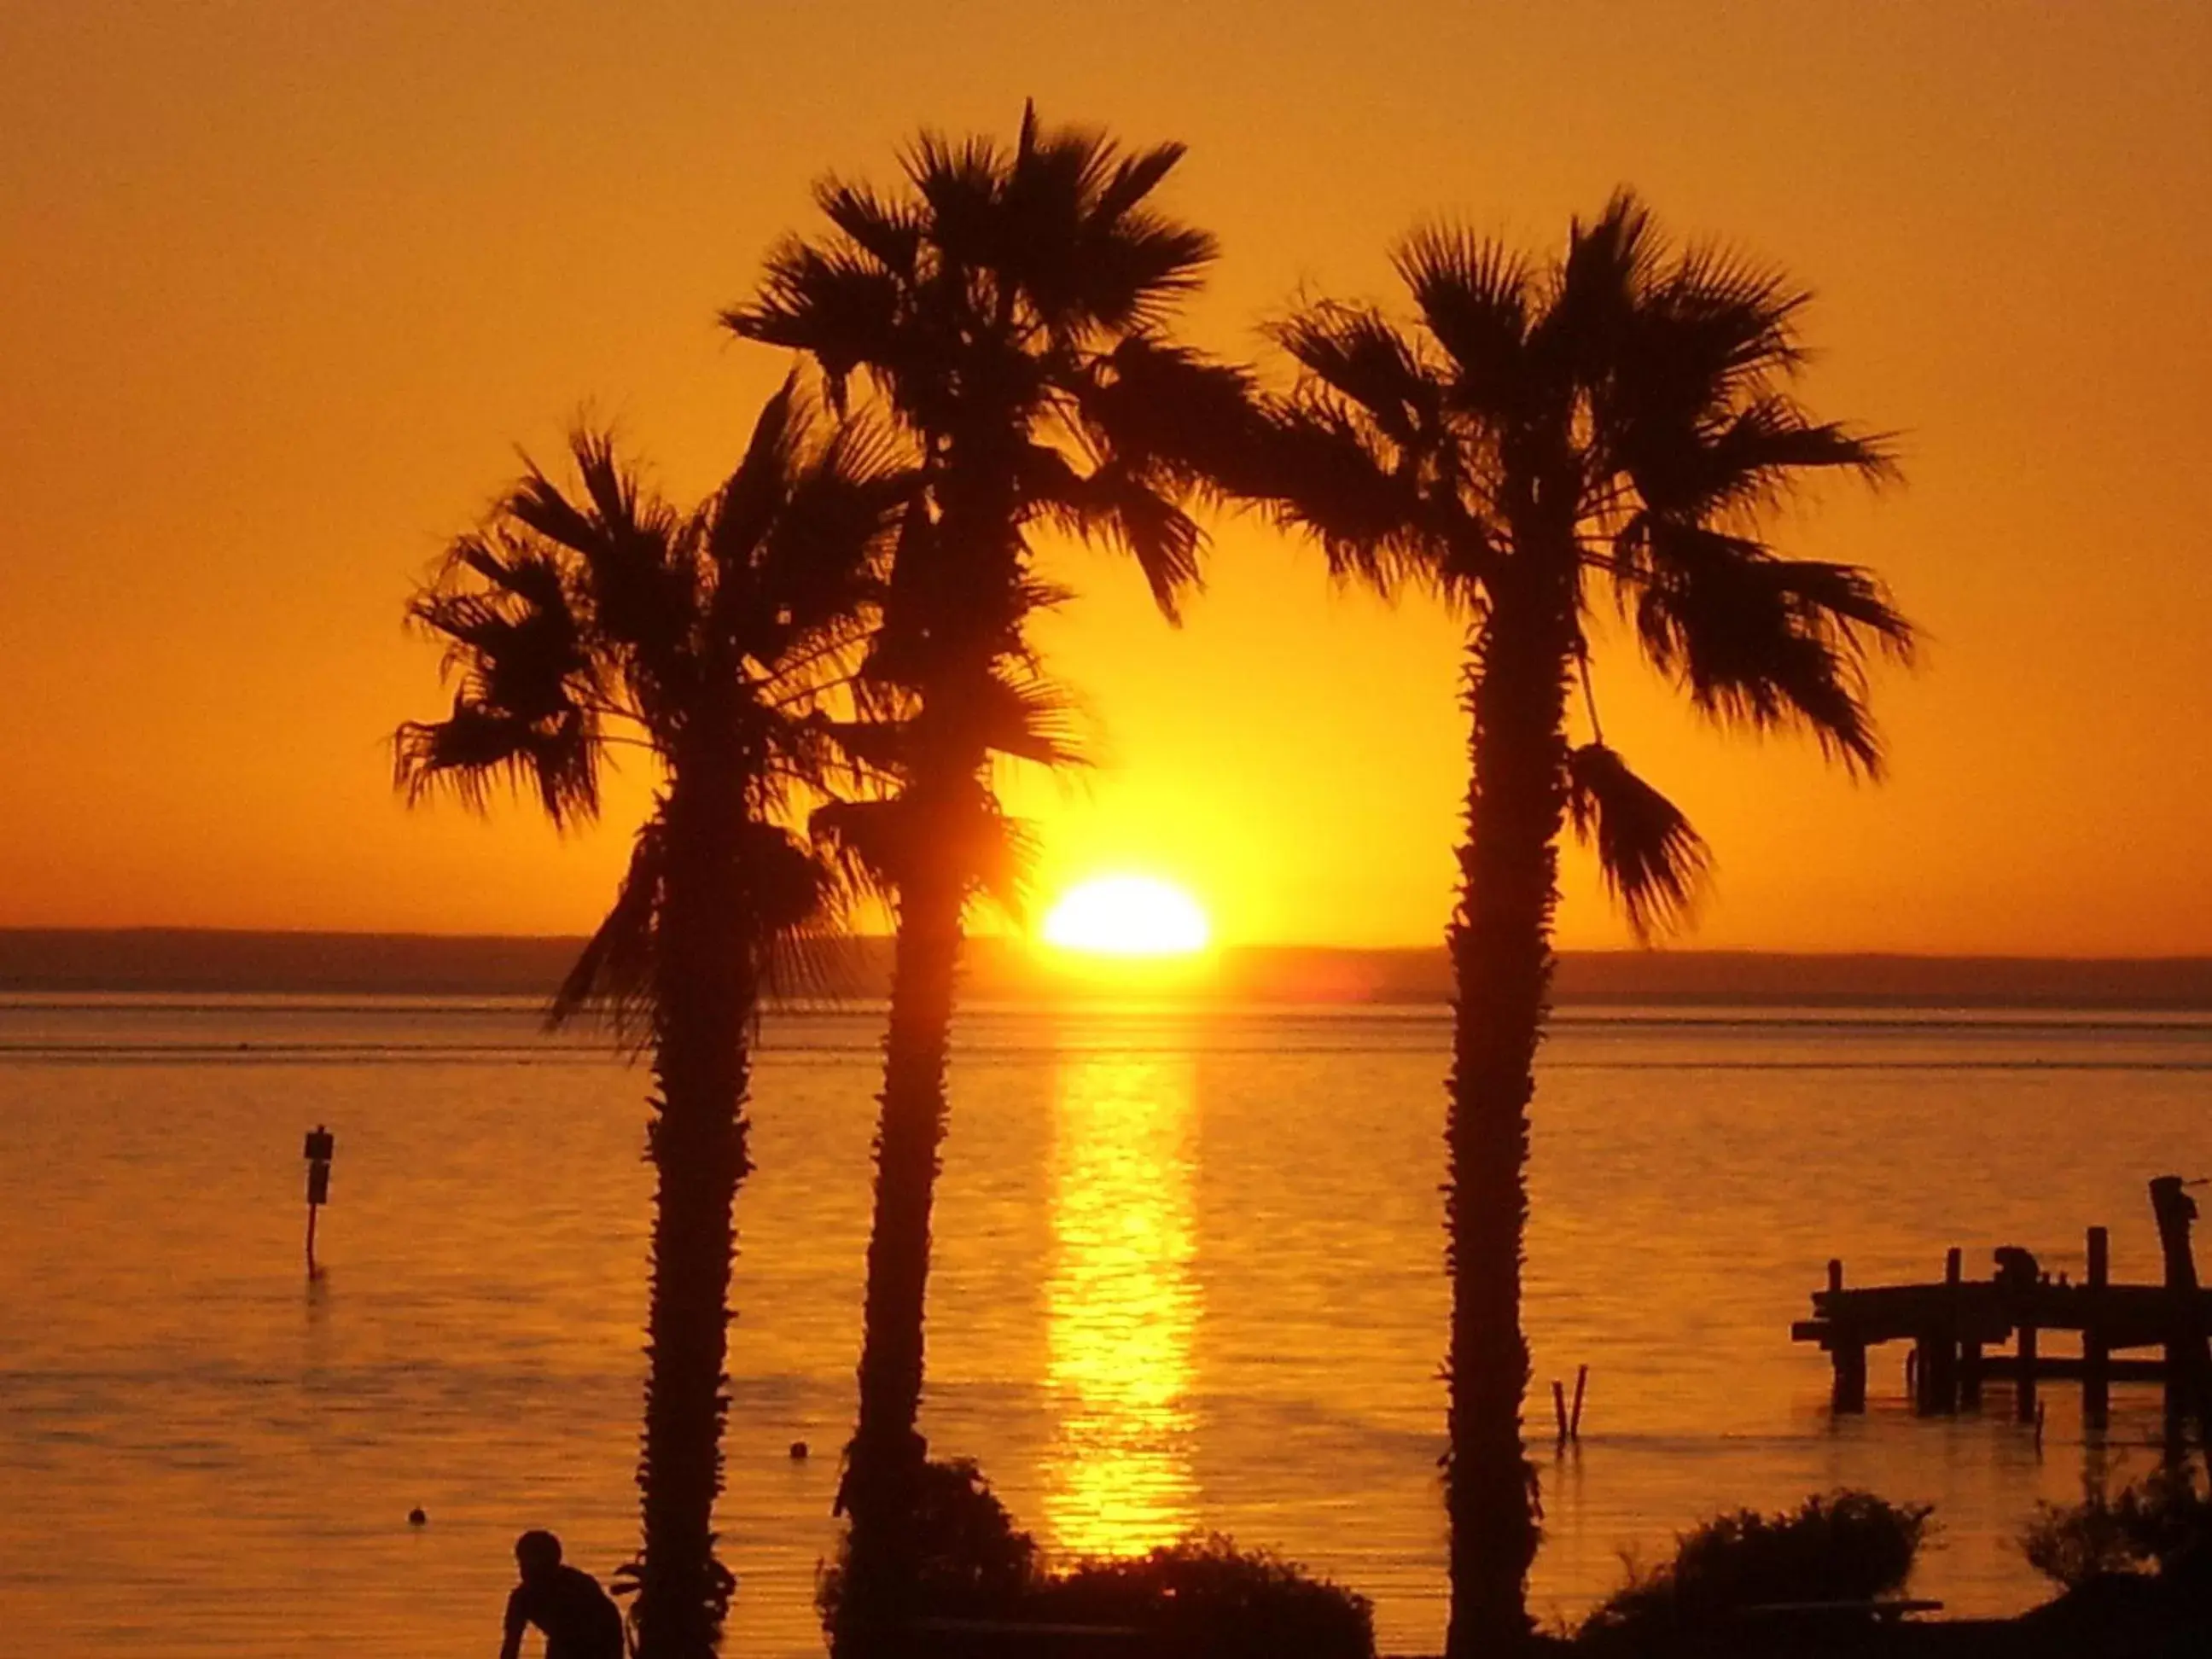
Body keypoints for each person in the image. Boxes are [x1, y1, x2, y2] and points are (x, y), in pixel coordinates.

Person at [499, 1530, 625, 1659]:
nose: (528, 1573)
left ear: (554, 1564)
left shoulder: (578, 1587)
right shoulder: (522, 1599)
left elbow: (600, 1631)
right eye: (524, 1565)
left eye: (540, 1568)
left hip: (600, 1637)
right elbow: (511, 1647)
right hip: (564, 1639)